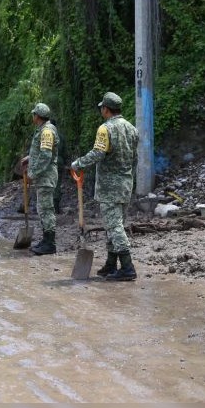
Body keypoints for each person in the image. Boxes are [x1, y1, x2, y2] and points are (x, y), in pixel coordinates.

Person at [71, 92, 139, 281]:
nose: (101, 110)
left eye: (102, 107)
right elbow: (135, 160)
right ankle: (111, 264)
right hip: (126, 184)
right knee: (115, 224)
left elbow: (98, 153)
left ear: (106, 109)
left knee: (114, 226)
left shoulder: (105, 129)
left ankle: (127, 267)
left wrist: (78, 163)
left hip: (110, 187)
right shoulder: (132, 129)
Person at [22, 103, 60, 255]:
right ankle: (46, 240)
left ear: (37, 116)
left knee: (46, 209)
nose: (33, 117)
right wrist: (29, 158)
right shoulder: (43, 130)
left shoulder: (46, 132)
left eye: (33, 115)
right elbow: (41, 151)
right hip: (44, 175)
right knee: (42, 209)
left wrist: (33, 173)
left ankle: (50, 243)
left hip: (46, 175)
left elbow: (46, 156)